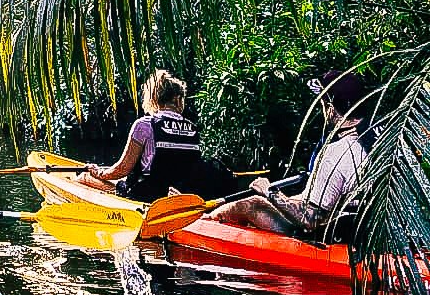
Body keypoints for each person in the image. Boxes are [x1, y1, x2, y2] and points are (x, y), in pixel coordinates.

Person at [206, 69, 370, 238]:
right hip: (357, 230)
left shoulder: (336, 153)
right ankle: (206, 220)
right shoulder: (376, 143)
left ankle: (203, 227)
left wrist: (269, 191)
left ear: (330, 109)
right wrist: (283, 201)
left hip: (328, 237)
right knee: (257, 203)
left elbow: (310, 219)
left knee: (250, 205)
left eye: (322, 104)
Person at [76, 69, 219, 199]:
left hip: (145, 196)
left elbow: (122, 170)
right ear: (177, 99)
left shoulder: (144, 125)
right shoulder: (193, 129)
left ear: (155, 99)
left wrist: (98, 172)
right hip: (177, 196)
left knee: (84, 178)